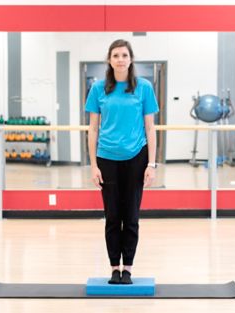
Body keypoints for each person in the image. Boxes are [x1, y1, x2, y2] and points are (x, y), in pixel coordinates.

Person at [85, 39, 159, 285]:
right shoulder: (98, 89)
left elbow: (150, 127)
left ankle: (128, 268)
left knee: (132, 216)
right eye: (115, 55)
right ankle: (114, 268)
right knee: (112, 217)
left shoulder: (144, 88)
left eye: (124, 55)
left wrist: (152, 164)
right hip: (107, 159)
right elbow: (93, 129)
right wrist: (93, 165)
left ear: (130, 59)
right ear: (109, 60)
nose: (120, 59)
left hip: (136, 158)